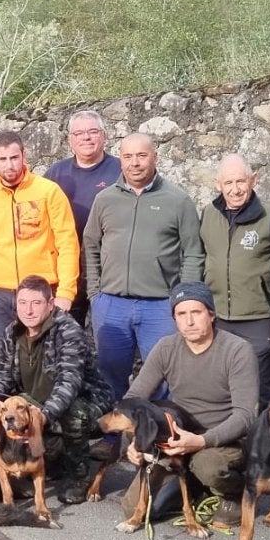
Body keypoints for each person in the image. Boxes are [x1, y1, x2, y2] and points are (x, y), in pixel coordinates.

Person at [128, 282, 259, 531]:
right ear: (174, 319)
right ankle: (193, 486)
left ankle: (235, 493)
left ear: (211, 314)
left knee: (208, 466)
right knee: (136, 507)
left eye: (196, 313)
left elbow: (246, 415)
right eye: (181, 314)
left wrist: (201, 441)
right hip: (179, 439)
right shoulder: (166, 347)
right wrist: (136, 440)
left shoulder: (237, 350)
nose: (189, 321)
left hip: (225, 441)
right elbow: (134, 399)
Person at [84, 133, 203, 400]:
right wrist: (95, 293)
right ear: (120, 160)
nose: (134, 163)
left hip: (160, 306)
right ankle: (114, 436)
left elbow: (193, 252)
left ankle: (160, 436)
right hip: (111, 304)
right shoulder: (105, 199)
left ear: (154, 157)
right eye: (128, 156)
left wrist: (184, 300)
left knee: (164, 376)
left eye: (141, 155)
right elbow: (91, 244)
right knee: (110, 374)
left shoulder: (178, 200)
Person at [0, 275, 113, 503]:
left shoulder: (68, 331)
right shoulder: (12, 332)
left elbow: (69, 383)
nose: (28, 310)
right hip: (35, 402)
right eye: (22, 303)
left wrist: (43, 416)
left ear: (50, 304)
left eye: (36, 303)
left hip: (84, 402)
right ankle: (20, 468)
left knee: (75, 414)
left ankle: (77, 477)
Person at [0, 131, 79, 354]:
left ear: (24, 155)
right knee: (6, 358)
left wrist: (66, 292)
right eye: (2, 159)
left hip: (40, 289)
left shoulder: (49, 191)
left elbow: (67, 243)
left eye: (14, 157)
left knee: (44, 357)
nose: (9, 165)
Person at [201, 153, 270, 409]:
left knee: (260, 387)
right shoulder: (207, 214)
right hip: (219, 316)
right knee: (223, 384)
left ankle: (264, 443)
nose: (235, 190)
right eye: (229, 183)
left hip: (257, 316)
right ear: (218, 184)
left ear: (253, 180)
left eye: (241, 181)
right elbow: (201, 257)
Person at [43, 110, 121, 326]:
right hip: (68, 267)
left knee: (108, 332)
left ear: (104, 136)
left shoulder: (121, 170)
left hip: (108, 266)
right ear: (70, 140)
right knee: (65, 330)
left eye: (92, 131)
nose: (86, 137)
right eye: (79, 133)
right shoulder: (55, 174)